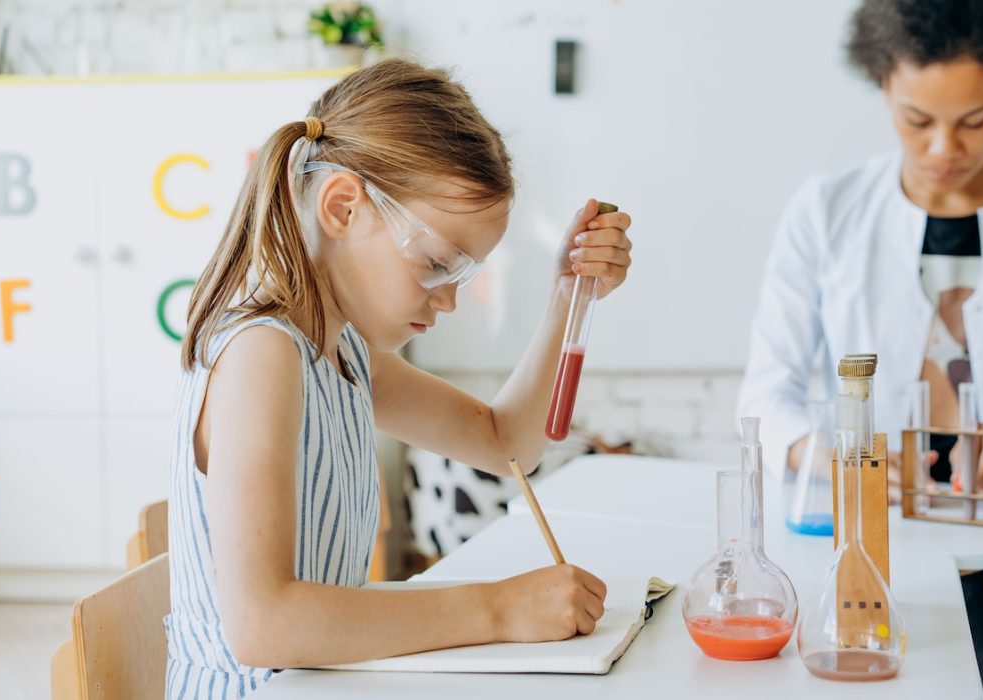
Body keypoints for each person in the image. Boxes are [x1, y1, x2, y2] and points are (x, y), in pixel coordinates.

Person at [165, 59, 634, 697]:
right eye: (436, 263)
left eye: (461, 276)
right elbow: (262, 624)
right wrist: (497, 609)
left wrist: (568, 297)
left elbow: (507, 446)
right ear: (342, 208)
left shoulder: (343, 353)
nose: (448, 300)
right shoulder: (262, 355)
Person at [738, 0, 983, 499]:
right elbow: (765, 394)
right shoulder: (825, 208)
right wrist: (840, 460)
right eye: (917, 120)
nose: (943, 149)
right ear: (885, 84)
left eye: (975, 121)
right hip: (864, 513)